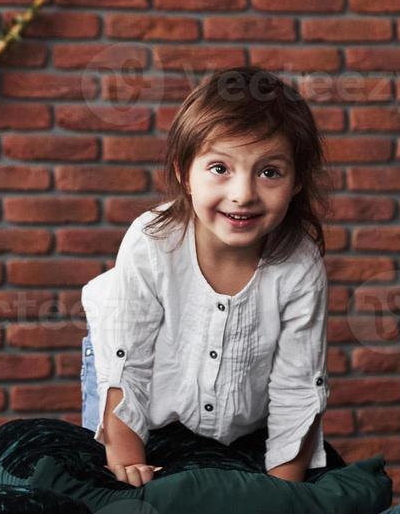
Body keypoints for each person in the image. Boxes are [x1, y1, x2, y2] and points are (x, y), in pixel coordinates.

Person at [81, 66, 333, 487]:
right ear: (185, 172)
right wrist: (128, 463)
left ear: (295, 183)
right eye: (220, 168)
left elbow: (298, 386)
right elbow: (128, 360)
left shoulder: (300, 266)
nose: (243, 193)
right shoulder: (152, 242)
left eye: (269, 172)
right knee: (116, 474)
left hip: (235, 408)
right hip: (128, 377)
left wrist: (285, 490)